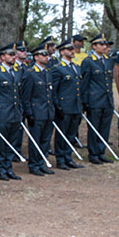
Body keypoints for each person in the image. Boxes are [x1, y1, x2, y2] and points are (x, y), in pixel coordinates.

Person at [0, 44, 23, 181]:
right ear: (2, 57)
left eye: (14, 54)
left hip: (14, 113)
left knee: (12, 143)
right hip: (2, 114)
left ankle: (9, 168)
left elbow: (18, 94)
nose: (14, 57)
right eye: (10, 54)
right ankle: (1, 169)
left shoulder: (17, 72)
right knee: (2, 143)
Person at [21, 42, 55, 175]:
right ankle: (34, 165)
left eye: (47, 54)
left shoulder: (47, 72)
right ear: (36, 57)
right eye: (43, 54)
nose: (46, 57)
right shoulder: (30, 73)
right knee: (35, 140)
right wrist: (29, 113)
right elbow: (26, 96)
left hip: (47, 112)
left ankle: (42, 162)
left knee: (45, 140)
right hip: (36, 112)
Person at [80, 32, 115, 164]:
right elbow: (84, 83)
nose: (104, 46)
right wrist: (85, 101)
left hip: (107, 100)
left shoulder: (108, 61)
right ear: (94, 46)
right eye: (101, 44)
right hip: (94, 100)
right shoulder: (88, 62)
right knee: (94, 127)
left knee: (104, 127)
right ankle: (93, 153)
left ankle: (101, 151)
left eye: (105, 44)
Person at [51, 39, 84, 170]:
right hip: (64, 106)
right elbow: (54, 89)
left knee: (72, 134)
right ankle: (60, 159)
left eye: (72, 49)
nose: (72, 51)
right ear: (62, 52)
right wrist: (57, 105)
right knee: (62, 134)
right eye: (69, 49)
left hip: (75, 105)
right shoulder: (58, 69)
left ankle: (68, 157)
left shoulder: (76, 67)